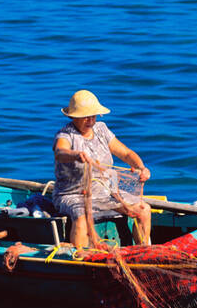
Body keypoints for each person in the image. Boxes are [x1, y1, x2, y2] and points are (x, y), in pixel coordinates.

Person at [52, 90, 153, 249]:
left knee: (143, 209)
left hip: (105, 192)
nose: (90, 120)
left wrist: (141, 167)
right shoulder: (66, 134)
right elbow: (60, 152)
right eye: (85, 116)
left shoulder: (102, 129)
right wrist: (75, 155)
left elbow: (125, 153)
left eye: (93, 116)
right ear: (74, 116)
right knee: (82, 215)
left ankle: (142, 251)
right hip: (73, 194)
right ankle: (80, 256)